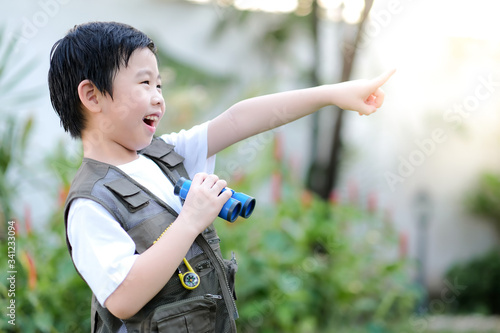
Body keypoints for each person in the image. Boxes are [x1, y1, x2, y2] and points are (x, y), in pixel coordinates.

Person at [48, 21, 394, 333]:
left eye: (160, 84)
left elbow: (239, 119)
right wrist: (190, 221)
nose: (158, 98)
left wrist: (331, 94)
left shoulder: (164, 154)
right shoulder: (90, 203)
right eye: (144, 83)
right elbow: (123, 297)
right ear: (92, 96)